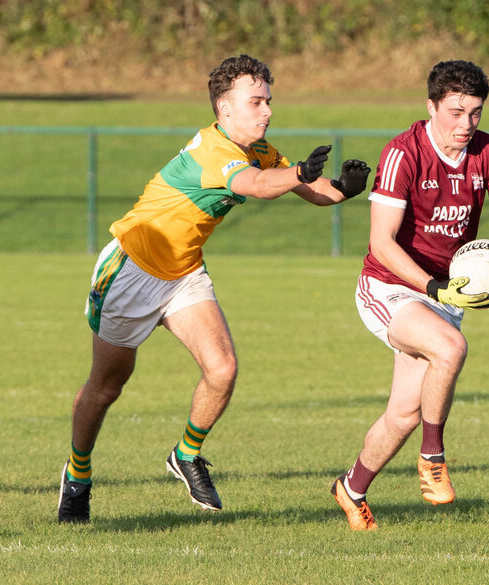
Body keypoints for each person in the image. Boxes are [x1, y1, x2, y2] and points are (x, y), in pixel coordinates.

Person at [57, 54, 371, 523]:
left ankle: (186, 454)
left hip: (183, 272)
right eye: (256, 102)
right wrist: (299, 174)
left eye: (268, 101)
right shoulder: (214, 151)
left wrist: (344, 187)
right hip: (130, 272)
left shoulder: (257, 149)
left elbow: (305, 188)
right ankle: (78, 475)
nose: (268, 111)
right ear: (225, 109)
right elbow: (259, 185)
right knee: (106, 388)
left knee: (222, 369)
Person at [331, 60, 489, 530]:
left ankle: (351, 488)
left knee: (404, 414)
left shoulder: (487, 150)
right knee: (450, 348)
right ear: (431, 107)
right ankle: (433, 459)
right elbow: (381, 242)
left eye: (475, 112)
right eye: (455, 112)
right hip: (390, 286)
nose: (466, 124)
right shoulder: (403, 153)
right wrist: (431, 286)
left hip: (445, 294)